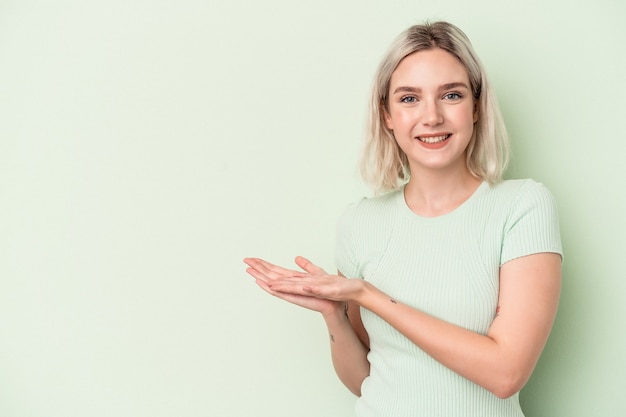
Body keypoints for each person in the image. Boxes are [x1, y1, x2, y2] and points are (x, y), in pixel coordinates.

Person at [244, 20, 562, 417]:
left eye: (451, 95)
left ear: (476, 107)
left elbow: (505, 374)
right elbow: (367, 379)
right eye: (409, 99)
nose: (431, 117)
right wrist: (335, 316)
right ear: (388, 115)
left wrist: (368, 296)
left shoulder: (522, 206)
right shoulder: (359, 222)